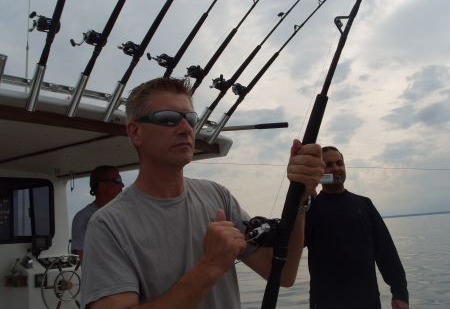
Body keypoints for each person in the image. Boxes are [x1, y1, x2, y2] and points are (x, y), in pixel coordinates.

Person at [80, 77, 325, 309]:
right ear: (135, 132)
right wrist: (211, 265)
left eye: (191, 118)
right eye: (168, 118)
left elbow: (282, 274)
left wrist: (300, 199)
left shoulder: (218, 196)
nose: (186, 128)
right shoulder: (107, 224)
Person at [304, 146, 409, 309]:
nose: (336, 168)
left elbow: (386, 252)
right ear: (320, 172)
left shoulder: (364, 204)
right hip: (326, 303)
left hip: (369, 302)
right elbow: (293, 244)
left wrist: (400, 293)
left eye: (339, 163)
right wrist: (303, 198)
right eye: (329, 165)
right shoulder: (310, 208)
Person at [71, 165, 124, 261]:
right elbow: (85, 258)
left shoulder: (124, 215)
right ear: (102, 185)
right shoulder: (83, 218)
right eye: (118, 181)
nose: (122, 185)